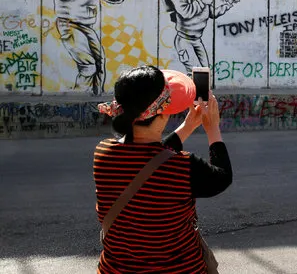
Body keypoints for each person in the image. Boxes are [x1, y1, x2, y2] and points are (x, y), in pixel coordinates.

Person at [94, 65, 232, 273]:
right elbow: (222, 178)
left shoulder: (102, 154)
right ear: (163, 113)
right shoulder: (183, 166)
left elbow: (151, 159)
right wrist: (212, 128)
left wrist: (187, 127)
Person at [50, 0, 139, 95]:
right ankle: (80, 97)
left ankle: (95, 97)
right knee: (88, 66)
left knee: (99, 65)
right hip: (68, 25)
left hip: (86, 26)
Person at [163, 0, 240, 73]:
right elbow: (185, 12)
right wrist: (202, 0)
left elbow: (213, 13)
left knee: (205, 72)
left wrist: (229, 3)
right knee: (194, 73)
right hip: (184, 40)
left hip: (197, 40)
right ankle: (192, 91)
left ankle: (203, 91)